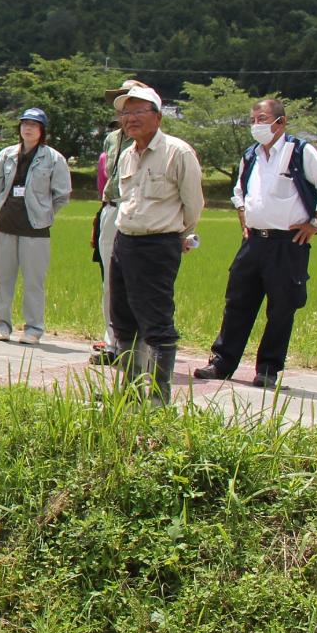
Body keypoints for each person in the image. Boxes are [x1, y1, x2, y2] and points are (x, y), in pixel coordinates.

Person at [191, 98, 317, 389]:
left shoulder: (299, 151)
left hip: (287, 243)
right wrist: (243, 218)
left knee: (282, 307)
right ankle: (222, 362)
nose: (256, 126)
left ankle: (268, 369)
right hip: (254, 241)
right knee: (237, 302)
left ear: (280, 122)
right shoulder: (250, 155)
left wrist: (315, 223)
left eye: (262, 119)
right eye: (253, 121)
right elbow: (239, 191)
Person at [106, 84, 204, 401]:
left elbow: (193, 206)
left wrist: (174, 236)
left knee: (157, 321)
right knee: (122, 319)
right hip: (125, 241)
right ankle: (130, 392)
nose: (130, 118)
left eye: (138, 111)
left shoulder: (178, 152)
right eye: (125, 112)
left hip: (157, 244)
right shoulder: (126, 155)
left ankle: (159, 396)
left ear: (158, 117)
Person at [0, 107, 73, 344]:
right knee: (4, 278)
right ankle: (2, 325)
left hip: (35, 227)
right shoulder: (6, 155)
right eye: (25, 124)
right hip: (5, 223)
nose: (28, 128)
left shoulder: (54, 158)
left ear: (42, 130)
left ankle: (33, 328)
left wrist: (45, 212)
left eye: (34, 125)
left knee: (33, 281)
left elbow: (62, 194)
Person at [91, 80, 149, 366]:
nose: (127, 110)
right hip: (112, 208)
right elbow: (106, 179)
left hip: (138, 212)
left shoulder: (150, 138)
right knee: (110, 281)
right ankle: (113, 341)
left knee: (139, 282)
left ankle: (140, 346)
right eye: (123, 103)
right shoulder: (112, 139)